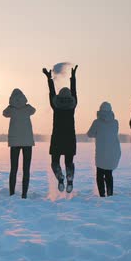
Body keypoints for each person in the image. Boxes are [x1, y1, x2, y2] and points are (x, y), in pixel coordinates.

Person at [43, 65, 78, 193]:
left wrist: (49, 78)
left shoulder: (55, 105)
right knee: (69, 162)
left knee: (54, 162)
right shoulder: (73, 104)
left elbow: (51, 92)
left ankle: (60, 178)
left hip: (57, 137)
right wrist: (73, 78)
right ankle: (69, 178)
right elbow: (74, 91)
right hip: (70, 137)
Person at [2, 88, 36, 198]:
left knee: (14, 169)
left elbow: (4, 113)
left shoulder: (11, 109)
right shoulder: (28, 108)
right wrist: (26, 104)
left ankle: (12, 193)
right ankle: (24, 194)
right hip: (27, 142)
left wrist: (11, 105)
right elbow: (34, 110)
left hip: (14, 143)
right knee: (26, 169)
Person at [87, 102, 121, 197]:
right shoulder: (115, 122)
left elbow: (90, 134)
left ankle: (102, 195)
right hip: (112, 152)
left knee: (100, 174)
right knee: (109, 173)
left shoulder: (97, 122)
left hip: (101, 153)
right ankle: (110, 193)